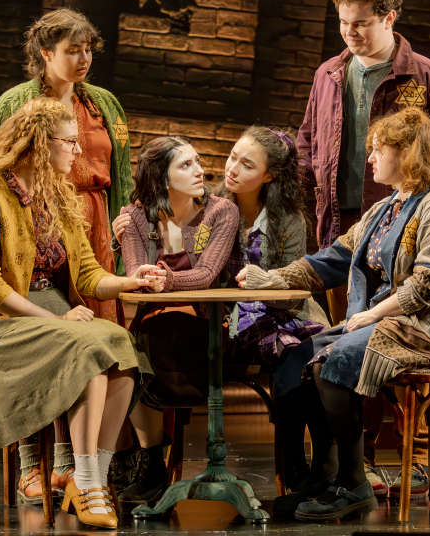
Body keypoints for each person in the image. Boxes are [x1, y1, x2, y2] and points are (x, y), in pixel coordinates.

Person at [238, 108, 430, 521]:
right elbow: (333, 260)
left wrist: (373, 315)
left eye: (377, 150)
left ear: (407, 154)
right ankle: (323, 473)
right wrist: (271, 280)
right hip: (396, 324)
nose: (370, 159)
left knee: (333, 359)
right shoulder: (385, 209)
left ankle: (354, 483)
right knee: (300, 353)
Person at [0, 97, 162, 529]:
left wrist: (132, 280)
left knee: (119, 344)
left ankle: (87, 478)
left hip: (52, 321)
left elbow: (88, 276)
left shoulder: (57, 195)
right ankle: (88, 482)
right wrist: (57, 321)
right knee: (89, 350)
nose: (78, 151)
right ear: (41, 144)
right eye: (70, 143)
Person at [297, 0, 430, 495]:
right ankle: (356, 460)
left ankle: (409, 455)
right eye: (343, 22)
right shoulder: (328, 74)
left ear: (391, 17)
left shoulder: (427, 76)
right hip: (343, 225)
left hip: (406, 224)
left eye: (362, 23)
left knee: (392, 337)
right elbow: (306, 142)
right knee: (347, 341)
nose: (350, 32)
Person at [113, 127, 333, 491]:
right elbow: (184, 261)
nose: (231, 169)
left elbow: (294, 285)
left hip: (285, 312)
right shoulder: (210, 204)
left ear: (270, 176)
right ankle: (298, 467)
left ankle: (313, 464)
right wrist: (124, 237)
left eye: (246, 165)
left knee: (310, 355)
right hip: (231, 316)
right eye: (232, 157)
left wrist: (264, 283)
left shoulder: (287, 220)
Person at [0, 7, 135, 502]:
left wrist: (122, 241)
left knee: (94, 342)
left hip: (88, 225)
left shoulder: (104, 103)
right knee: (48, 338)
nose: (84, 57)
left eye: (89, 48)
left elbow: (124, 174)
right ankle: (34, 463)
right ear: (45, 54)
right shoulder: (16, 103)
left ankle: (75, 465)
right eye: (73, 49)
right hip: (32, 230)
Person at [114, 136, 240, 505]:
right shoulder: (136, 215)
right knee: (130, 347)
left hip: (206, 322)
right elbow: (138, 272)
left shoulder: (220, 212)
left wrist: (166, 280)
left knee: (159, 334)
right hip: (153, 323)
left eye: (197, 161)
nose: (199, 170)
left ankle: (152, 464)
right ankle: (151, 461)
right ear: (161, 178)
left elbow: (205, 274)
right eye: (186, 165)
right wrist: (141, 268)